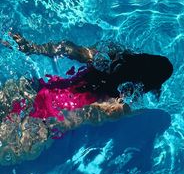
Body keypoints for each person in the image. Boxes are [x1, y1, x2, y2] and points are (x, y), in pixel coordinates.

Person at [0, 33, 173, 165]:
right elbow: (90, 114)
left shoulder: (109, 56)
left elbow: (66, 48)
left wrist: (31, 47)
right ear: (146, 87)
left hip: (38, 90)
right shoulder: (118, 106)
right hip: (46, 122)